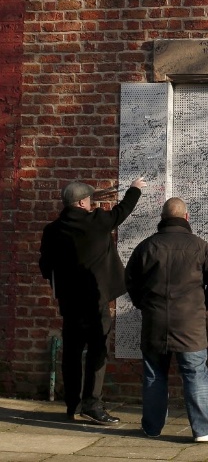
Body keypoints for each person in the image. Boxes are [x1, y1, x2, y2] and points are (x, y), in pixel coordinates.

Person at [39, 176, 147, 425]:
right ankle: (92, 404)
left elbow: (45, 265)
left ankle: (72, 405)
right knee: (98, 351)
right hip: (96, 301)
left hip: (69, 302)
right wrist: (134, 189)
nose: (91, 203)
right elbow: (123, 211)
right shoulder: (96, 222)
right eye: (88, 199)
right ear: (80, 203)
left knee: (72, 353)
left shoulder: (52, 230)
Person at [125, 197, 208, 442]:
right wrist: (207, 304)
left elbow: (130, 280)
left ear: (162, 218)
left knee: (154, 375)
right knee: (194, 373)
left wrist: (143, 305)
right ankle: (203, 429)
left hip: (155, 321)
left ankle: (152, 427)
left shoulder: (146, 246)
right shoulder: (200, 246)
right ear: (186, 217)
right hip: (190, 322)